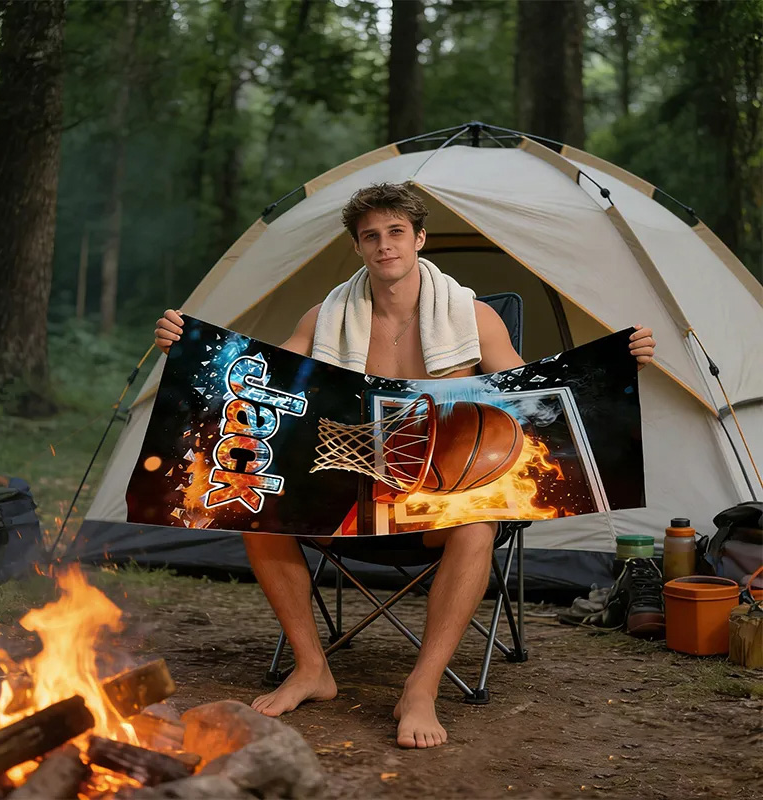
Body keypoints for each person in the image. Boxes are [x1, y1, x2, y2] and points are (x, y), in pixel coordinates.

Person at [154, 182, 656, 749]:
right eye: (371, 236)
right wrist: (189, 351)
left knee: (477, 525)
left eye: (396, 232)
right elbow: (260, 380)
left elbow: (535, 395)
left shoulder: (473, 317)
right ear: (358, 248)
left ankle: (422, 686)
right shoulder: (325, 319)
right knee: (253, 509)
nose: (384, 245)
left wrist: (620, 363)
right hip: (350, 490)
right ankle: (311, 667)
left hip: (441, 499)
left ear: (419, 238)